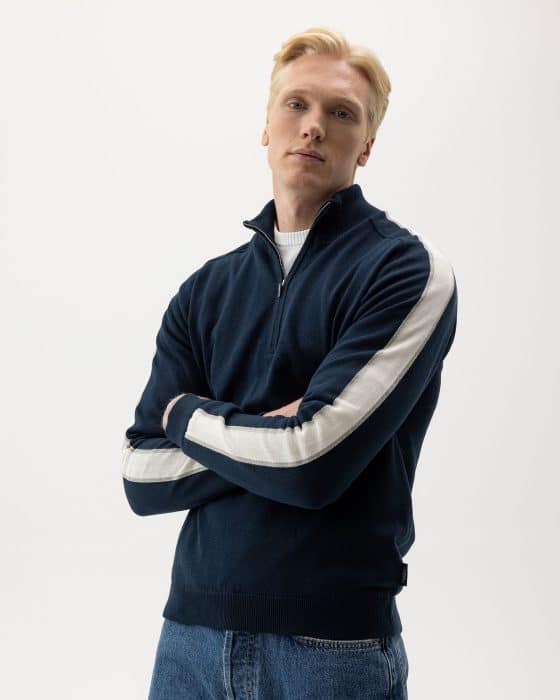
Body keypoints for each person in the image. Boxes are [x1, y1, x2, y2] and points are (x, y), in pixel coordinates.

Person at [122, 25, 458, 700]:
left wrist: (186, 415)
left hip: (330, 650)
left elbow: (314, 462)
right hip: (188, 635)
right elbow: (139, 475)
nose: (313, 128)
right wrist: (267, 433)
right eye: (296, 105)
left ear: (366, 145)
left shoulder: (407, 271)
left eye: (341, 114)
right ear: (267, 125)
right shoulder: (204, 290)